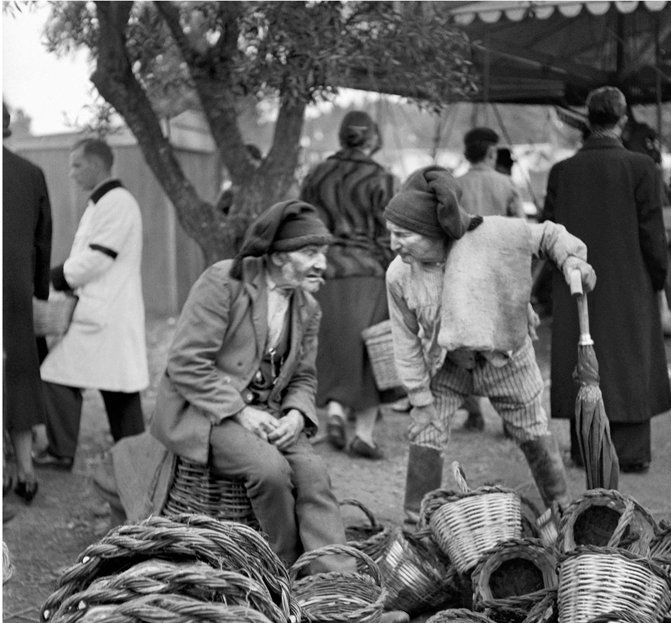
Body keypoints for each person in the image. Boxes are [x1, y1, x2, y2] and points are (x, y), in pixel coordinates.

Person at [384, 166, 596, 529]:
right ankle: (414, 528)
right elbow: (405, 343)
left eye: (403, 235)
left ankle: (564, 519)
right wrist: (419, 399)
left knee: (532, 430)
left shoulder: (494, 235)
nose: (393, 244)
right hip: (446, 365)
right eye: (391, 234)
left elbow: (547, 235)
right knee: (425, 431)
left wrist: (571, 258)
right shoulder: (399, 274)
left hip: (508, 358)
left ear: (433, 232)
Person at [149, 200, 353, 573]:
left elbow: (304, 377)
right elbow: (186, 362)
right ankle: (285, 574)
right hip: (205, 412)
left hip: (271, 416)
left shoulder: (308, 307)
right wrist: (240, 412)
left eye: (322, 253)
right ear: (277, 257)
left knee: (313, 472)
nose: (322, 264)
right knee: (269, 470)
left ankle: (337, 587)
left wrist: (295, 413)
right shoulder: (224, 282)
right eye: (310, 253)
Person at [543, 86, 671, 474]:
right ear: (623, 121)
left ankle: (586, 448)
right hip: (630, 282)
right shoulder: (641, 167)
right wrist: (660, 278)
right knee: (628, 359)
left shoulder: (562, 172)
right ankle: (630, 452)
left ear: (588, 120)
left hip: (577, 283)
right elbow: (653, 233)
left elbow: (549, 237)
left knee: (582, 354)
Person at [34, 138, 148, 470]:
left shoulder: (116, 201)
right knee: (115, 384)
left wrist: (54, 277)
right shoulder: (105, 202)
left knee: (63, 376)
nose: (72, 173)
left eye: (76, 165)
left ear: (97, 165)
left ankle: (70, 451)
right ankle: (130, 454)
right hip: (103, 312)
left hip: (107, 313)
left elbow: (98, 257)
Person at [300, 110, 399, 459]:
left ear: (342, 137)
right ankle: (364, 434)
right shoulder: (382, 178)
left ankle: (336, 413)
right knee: (371, 351)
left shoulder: (316, 175)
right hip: (367, 272)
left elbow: (304, 223)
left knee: (329, 347)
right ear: (371, 139)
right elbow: (391, 232)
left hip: (324, 271)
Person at [456, 129, 530, 433]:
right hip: (499, 276)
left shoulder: (454, 186)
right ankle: (511, 419)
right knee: (506, 345)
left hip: (462, 276)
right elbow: (521, 232)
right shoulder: (508, 185)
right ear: (491, 154)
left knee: (464, 347)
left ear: (466, 154)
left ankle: (473, 412)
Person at [2, 102, 52, 509]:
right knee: (18, 373)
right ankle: (26, 471)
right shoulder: (31, 174)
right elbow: (42, 241)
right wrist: (37, 292)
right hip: (15, 294)